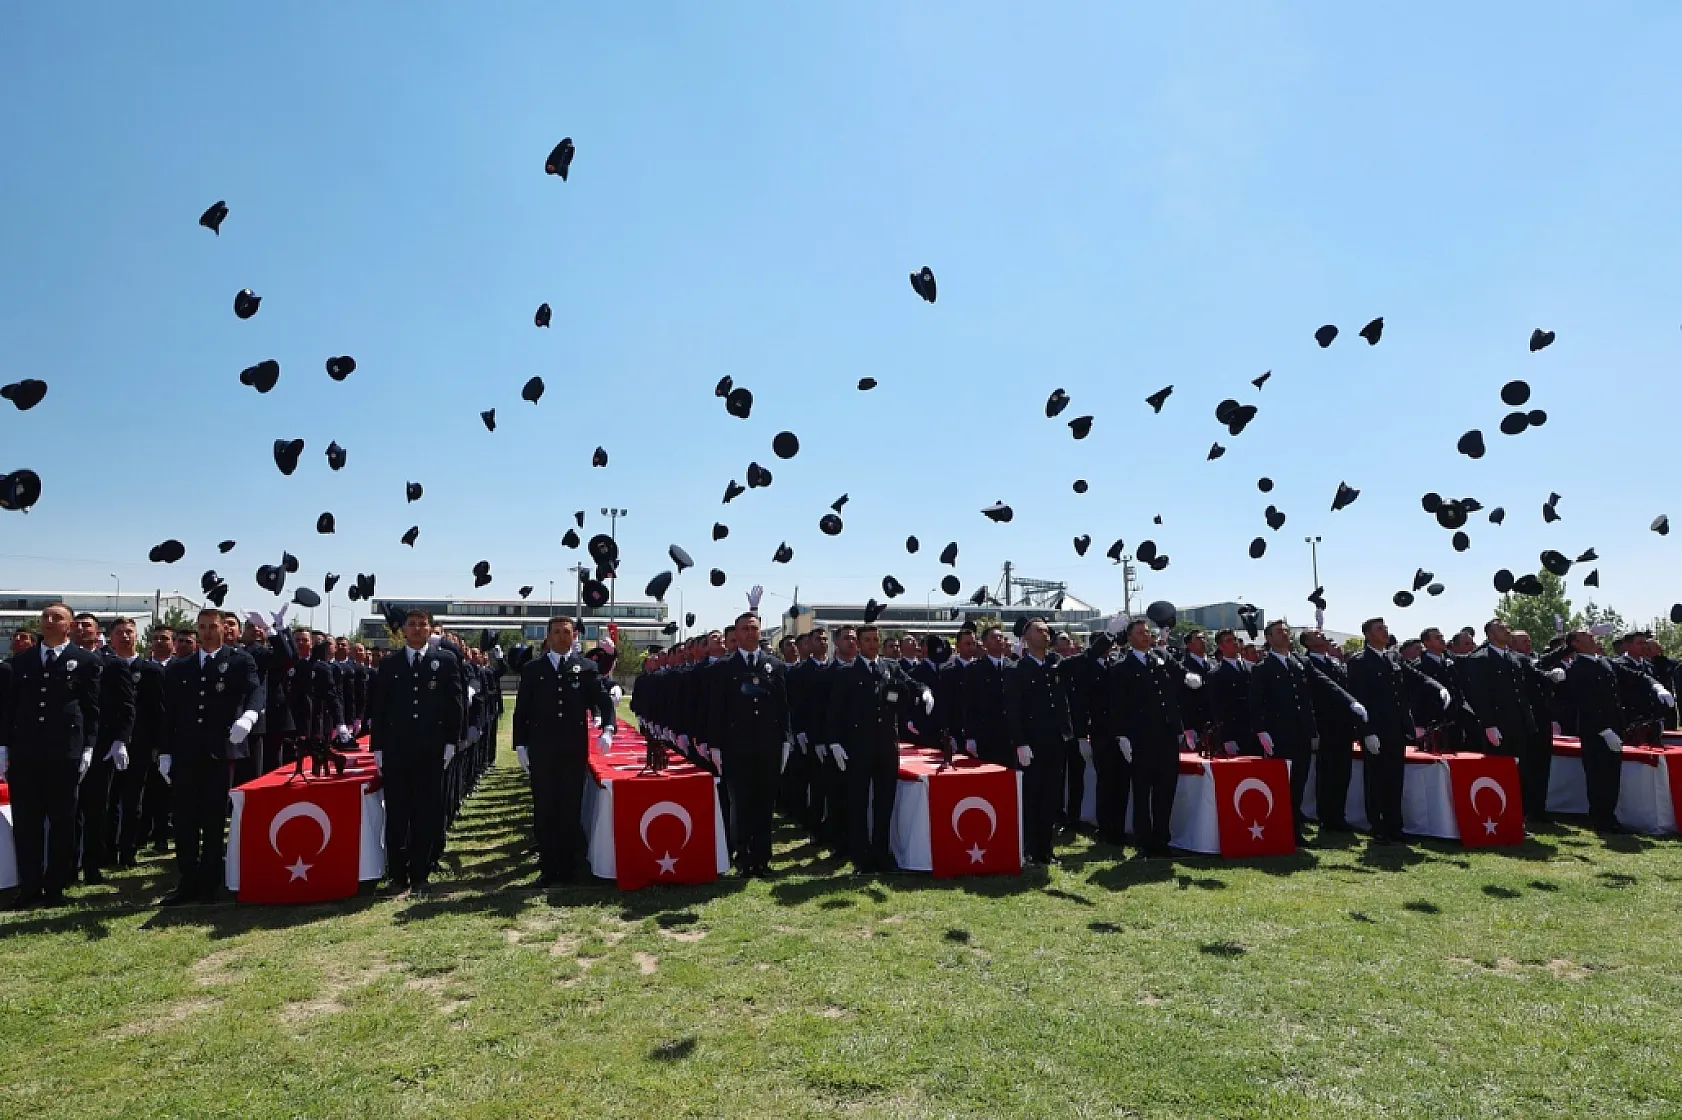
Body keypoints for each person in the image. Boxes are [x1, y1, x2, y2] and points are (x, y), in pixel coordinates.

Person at [0, 603, 102, 908]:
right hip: (26, 754)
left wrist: (88, 747)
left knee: (62, 822)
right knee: (27, 822)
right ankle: (29, 887)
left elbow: (92, 709)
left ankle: (55, 886)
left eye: (56, 617)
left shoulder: (84, 661)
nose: (48, 621)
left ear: (69, 625)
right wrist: (3, 747)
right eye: (45, 617)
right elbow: (9, 709)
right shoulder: (22, 662)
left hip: (64, 753)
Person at [159, 607, 260, 903]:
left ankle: (210, 881)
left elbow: (255, 691)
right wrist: (165, 752)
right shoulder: (180, 666)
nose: (206, 632)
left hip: (220, 749)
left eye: (212, 627)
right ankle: (187, 880)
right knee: (185, 818)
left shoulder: (240, 660)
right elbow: (170, 714)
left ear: (223, 629)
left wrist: (250, 716)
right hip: (186, 750)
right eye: (201, 627)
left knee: (214, 817)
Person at [511, 616, 614, 886]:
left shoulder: (586, 667)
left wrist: (608, 730)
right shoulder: (533, 669)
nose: (561, 637)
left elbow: (603, 702)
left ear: (574, 636)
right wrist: (520, 744)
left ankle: (568, 867)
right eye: (556, 632)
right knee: (545, 806)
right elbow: (522, 710)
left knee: (570, 805)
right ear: (548, 637)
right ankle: (548, 867)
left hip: (572, 747)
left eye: (566, 632)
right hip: (542, 747)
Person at [369, 609, 466, 893]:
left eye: (422, 625)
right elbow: (380, 707)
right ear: (404, 630)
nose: (416, 629)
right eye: (411, 625)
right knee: (398, 812)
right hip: (397, 749)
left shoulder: (446, 661)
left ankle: (421, 872)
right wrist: (378, 747)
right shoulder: (390, 664)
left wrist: (452, 741)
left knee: (426, 811)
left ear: (430, 629)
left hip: (431, 747)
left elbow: (456, 704)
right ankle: (398, 874)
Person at [826, 623, 928, 873]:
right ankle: (861, 857)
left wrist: (925, 692)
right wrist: (835, 742)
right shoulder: (847, 673)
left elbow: (911, 683)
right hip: (858, 746)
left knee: (885, 802)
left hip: (886, 746)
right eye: (867, 640)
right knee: (858, 803)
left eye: (875, 639)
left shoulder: (890, 668)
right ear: (858, 644)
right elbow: (834, 712)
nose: (872, 644)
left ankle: (882, 853)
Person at [1249, 621, 1362, 841]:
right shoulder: (1263, 667)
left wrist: (1350, 701)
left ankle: (1293, 828)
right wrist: (1261, 730)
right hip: (1278, 733)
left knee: (1299, 782)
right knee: (1284, 783)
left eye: (1286, 631)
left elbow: (1324, 682)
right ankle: (1282, 827)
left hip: (1301, 731)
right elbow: (1255, 702)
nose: (1285, 635)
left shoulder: (1299, 662)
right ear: (1269, 638)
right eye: (1279, 632)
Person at [708, 612, 791, 877]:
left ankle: (762, 859)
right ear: (736, 633)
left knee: (765, 804)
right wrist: (716, 746)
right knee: (741, 804)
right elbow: (716, 710)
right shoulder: (723, 668)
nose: (749, 633)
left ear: (760, 631)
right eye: (744, 629)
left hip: (768, 745)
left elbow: (783, 706)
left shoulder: (774, 665)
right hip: (737, 746)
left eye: (753, 628)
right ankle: (744, 858)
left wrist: (786, 740)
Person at [1109, 619, 1190, 856]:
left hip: (1166, 734)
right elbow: (1117, 705)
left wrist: (1178, 727)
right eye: (1140, 633)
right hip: (1140, 736)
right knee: (1143, 791)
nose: (1146, 636)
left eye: (1147, 632)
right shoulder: (1122, 667)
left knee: (1165, 789)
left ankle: (1162, 839)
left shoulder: (1160, 658)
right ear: (1130, 637)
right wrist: (1121, 735)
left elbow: (1176, 682)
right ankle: (1144, 841)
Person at [1005, 618, 1073, 866]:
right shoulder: (1016, 669)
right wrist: (1020, 742)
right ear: (1026, 637)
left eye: (1047, 630)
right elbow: (1013, 709)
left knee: (1051, 797)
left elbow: (1081, 664)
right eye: (1039, 630)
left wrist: (1110, 638)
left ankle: (1045, 848)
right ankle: (1029, 849)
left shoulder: (1054, 665)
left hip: (1054, 740)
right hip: (1031, 743)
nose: (1045, 634)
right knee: (1031, 797)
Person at [77, 615, 138, 883]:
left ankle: (93, 863)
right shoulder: (60, 661)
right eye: (77, 624)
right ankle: (67, 865)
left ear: (97, 631)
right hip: (67, 743)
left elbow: (127, 706)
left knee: (96, 806)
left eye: (86, 625)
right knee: (67, 809)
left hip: (101, 744)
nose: (81, 629)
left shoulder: (111, 664)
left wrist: (120, 740)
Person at [1344, 618, 1417, 843]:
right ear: (1367, 634)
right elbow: (1359, 698)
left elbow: (1401, 694)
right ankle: (1379, 826)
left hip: (1395, 728)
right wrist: (1366, 731)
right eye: (1379, 629)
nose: (1385, 632)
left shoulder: (1392, 658)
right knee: (1376, 780)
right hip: (1376, 730)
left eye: (1385, 628)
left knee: (1395, 779)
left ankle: (1395, 825)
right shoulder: (1360, 662)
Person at [1561, 629, 1629, 832]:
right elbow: (1586, 703)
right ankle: (1601, 818)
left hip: (1615, 726)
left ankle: (1610, 815)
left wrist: (1654, 685)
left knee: (1612, 774)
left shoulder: (1604, 662)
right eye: (1586, 636)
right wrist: (1603, 729)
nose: (1592, 637)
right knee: (1598, 775)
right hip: (1596, 731)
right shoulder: (1577, 668)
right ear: (1576, 644)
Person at [1301, 629, 1362, 831]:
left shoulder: (1334, 662)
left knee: (1342, 771)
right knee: (1326, 771)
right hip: (1323, 724)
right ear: (1308, 643)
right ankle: (1326, 816)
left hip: (1342, 724)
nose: (1322, 636)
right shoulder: (1306, 663)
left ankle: (1339, 814)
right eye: (1316, 635)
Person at [1066, 631, 1123, 842]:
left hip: (1118, 731)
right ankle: (1105, 827)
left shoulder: (1113, 663)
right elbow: (1081, 704)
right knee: (1106, 781)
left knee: (1120, 782)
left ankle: (1118, 827)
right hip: (1099, 731)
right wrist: (1081, 735)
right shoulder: (1085, 666)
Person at [1459, 620, 1536, 760]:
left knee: (1523, 771)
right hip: (1499, 725)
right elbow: (1479, 695)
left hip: (1520, 724)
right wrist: (1489, 724)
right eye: (1501, 629)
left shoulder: (1515, 657)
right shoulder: (1480, 659)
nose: (1507, 631)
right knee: (1501, 768)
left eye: (1507, 627)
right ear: (1491, 635)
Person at [962, 626, 1012, 765]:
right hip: (986, 734)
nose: (998, 640)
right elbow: (969, 704)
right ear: (984, 643)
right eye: (994, 637)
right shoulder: (975, 669)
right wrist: (970, 736)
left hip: (1009, 734)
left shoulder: (1013, 667)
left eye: (1001, 637)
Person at [1207, 629, 1254, 755]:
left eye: (1235, 639)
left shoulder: (1252, 668)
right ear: (1221, 646)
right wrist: (1227, 738)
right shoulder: (1216, 674)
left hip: (1254, 730)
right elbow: (1218, 708)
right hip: (1235, 731)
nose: (1234, 643)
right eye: (1229, 640)